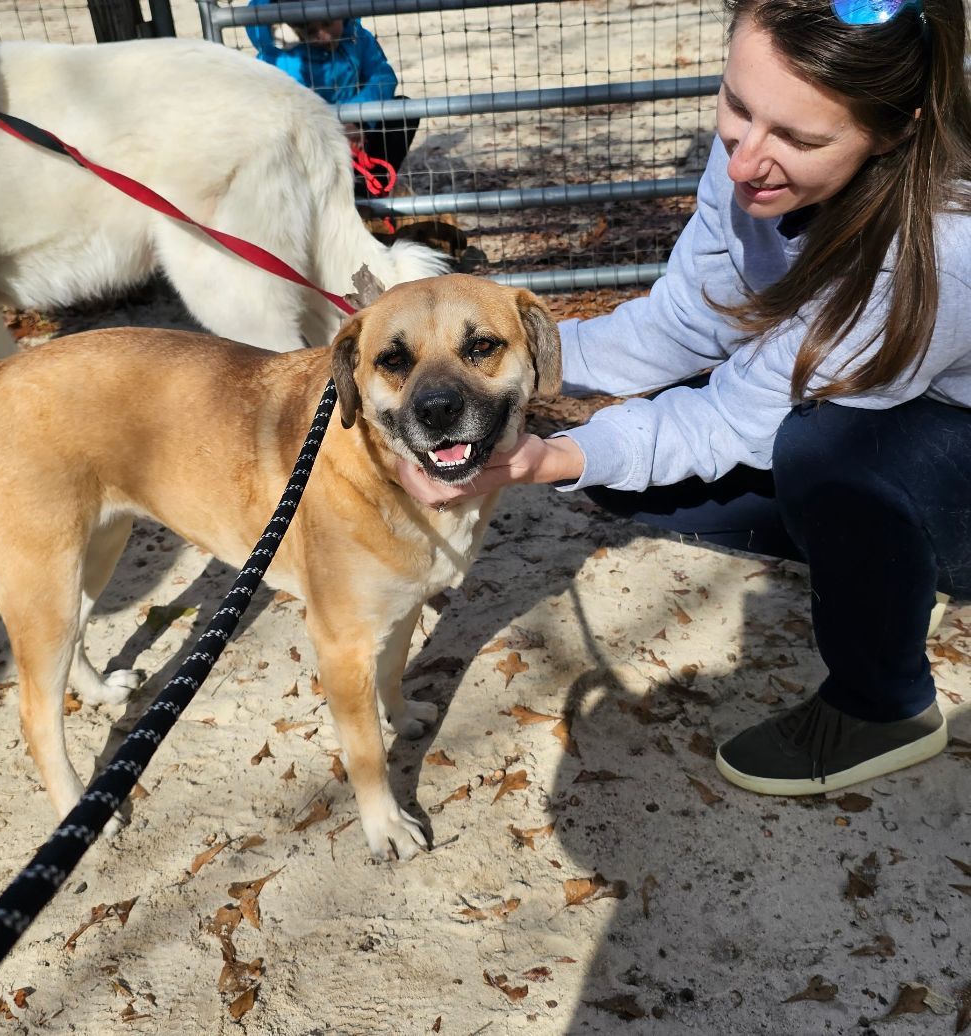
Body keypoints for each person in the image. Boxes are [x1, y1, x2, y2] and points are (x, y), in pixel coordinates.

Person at [398, 0, 971, 797]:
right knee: (633, 485)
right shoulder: (754, 154)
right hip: (874, 403)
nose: (743, 163)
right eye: (736, 105)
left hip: (950, 430)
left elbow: (741, 414)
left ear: (898, 130)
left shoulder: (944, 245)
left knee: (825, 453)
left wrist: (551, 454)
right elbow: (688, 319)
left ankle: (886, 705)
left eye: (800, 139)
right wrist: (510, 358)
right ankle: (889, 559)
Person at [245, 0, 419, 197]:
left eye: (328, 23)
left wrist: (357, 119)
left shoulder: (355, 36)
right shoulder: (280, 60)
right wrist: (333, 129)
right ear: (292, 31)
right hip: (306, 145)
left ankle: (367, 189)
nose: (324, 37)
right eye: (311, 31)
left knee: (403, 110)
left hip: (355, 134)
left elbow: (382, 77)